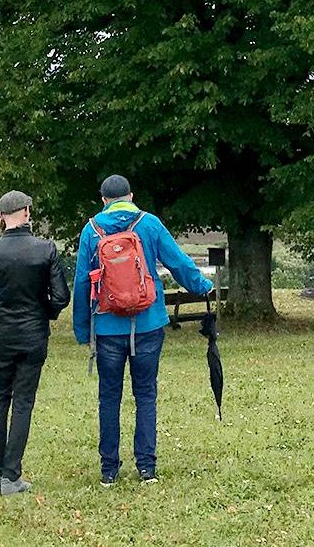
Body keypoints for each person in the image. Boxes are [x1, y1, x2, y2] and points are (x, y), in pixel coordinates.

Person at [72, 175, 215, 486]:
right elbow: (178, 263)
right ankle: (146, 468)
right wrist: (203, 286)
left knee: (108, 397)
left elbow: (82, 282)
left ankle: (109, 471)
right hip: (148, 323)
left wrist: (83, 330)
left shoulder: (91, 230)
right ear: (131, 195)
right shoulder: (148, 223)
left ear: (102, 200)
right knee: (146, 394)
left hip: (107, 327)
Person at [0, 190, 70, 497]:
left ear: (2, 217)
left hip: (0, 334)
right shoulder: (46, 249)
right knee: (23, 401)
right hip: (32, 334)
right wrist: (45, 313)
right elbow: (61, 296)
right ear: (27, 212)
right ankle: (11, 474)